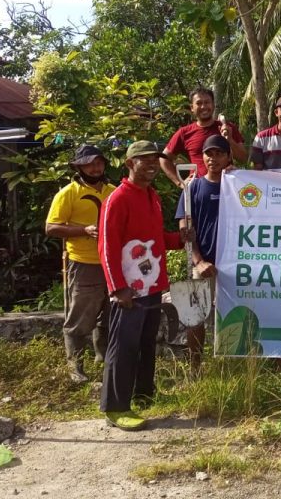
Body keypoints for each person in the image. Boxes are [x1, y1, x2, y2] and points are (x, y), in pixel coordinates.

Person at [98, 140, 188, 431]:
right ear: (129, 164)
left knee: (146, 343)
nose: (151, 165)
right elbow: (106, 246)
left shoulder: (152, 196)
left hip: (152, 285)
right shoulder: (118, 198)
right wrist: (117, 288)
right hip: (129, 291)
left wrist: (178, 240)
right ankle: (116, 406)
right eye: (144, 160)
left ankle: (143, 392)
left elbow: (155, 237)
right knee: (123, 347)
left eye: (154, 160)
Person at [45, 144, 115, 384]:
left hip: (112, 263)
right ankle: (75, 366)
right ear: (79, 167)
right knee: (80, 316)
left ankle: (103, 359)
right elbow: (51, 227)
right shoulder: (68, 193)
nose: (95, 168)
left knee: (108, 314)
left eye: (98, 163)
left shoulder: (113, 191)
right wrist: (83, 230)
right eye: (89, 164)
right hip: (83, 262)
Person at [174, 135, 230, 372]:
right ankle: (195, 367)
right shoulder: (192, 188)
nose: (213, 158)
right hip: (204, 263)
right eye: (209, 153)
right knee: (196, 317)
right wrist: (198, 261)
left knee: (230, 317)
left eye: (218, 153)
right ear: (202, 157)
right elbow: (186, 229)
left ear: (227, 157)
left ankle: (229, 366)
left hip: (234, 267)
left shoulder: (239, 186)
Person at [160, 87, 246, 186]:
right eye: (199, 103)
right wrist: (179, 182)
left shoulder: (227, 128)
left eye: (207, 102)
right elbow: (163, 158)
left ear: (213, 105)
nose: (203, 106)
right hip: (198, 189)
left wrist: (229, 140)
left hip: (227, 189)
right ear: (192, 107)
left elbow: (243, 158)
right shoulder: (184, 132)